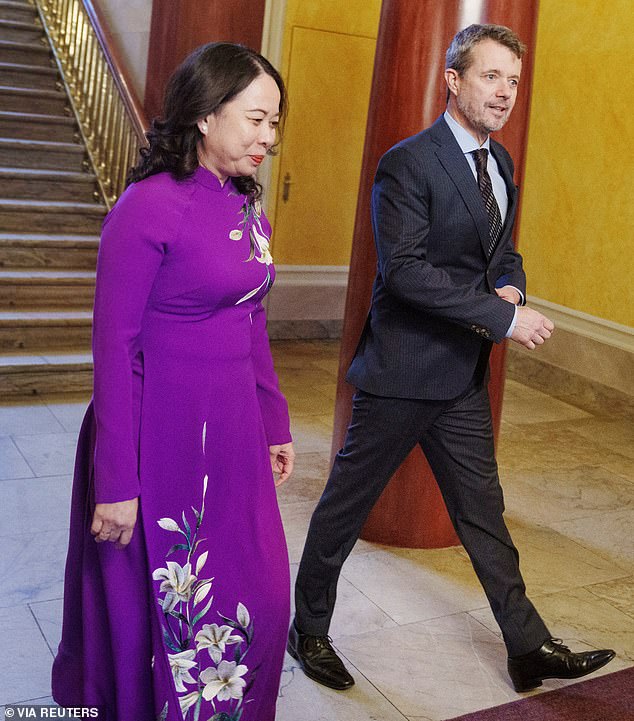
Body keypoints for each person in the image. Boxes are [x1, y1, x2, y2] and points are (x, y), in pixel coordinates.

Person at [288, 24, 615, 694]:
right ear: (454, 80)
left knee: (483, 516)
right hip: (403, 372)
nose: (504, 93)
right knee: (346, 508)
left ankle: (527, 646)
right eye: (491, 77)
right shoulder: (408, 162)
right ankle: (308, 627)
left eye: (514, 81)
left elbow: (502, 256)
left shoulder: (501, 165)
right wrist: (503, 317)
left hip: (461, 376)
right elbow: (404, 271)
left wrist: (514, 286)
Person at [52, 42, 295, 721]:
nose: (267, 138)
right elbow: (114, 349)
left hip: (233, 440)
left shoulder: (245, 206)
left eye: (274, 123)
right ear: (205, 114)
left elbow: (252, 324)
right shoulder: (147, 207)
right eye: (255, 119)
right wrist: (117, 483)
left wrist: (273, 422)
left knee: (264, 595)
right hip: (155, 443)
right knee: (153, 611)